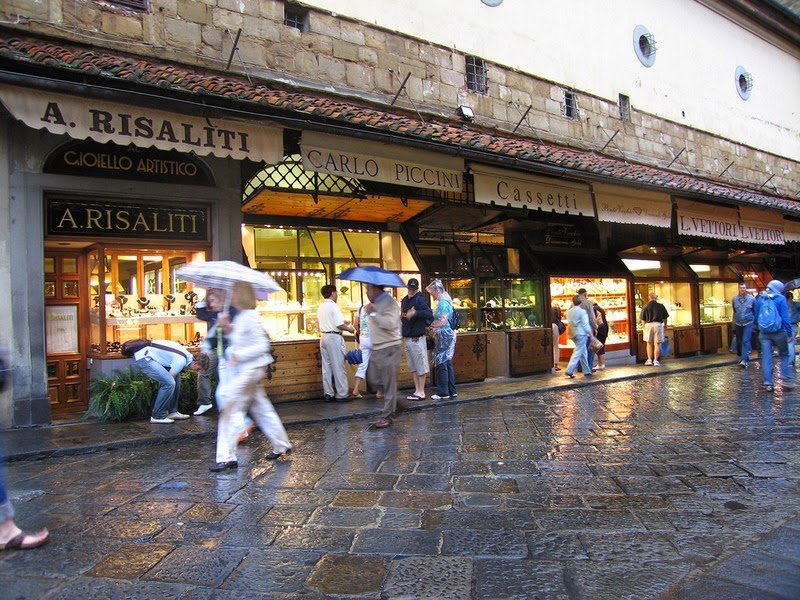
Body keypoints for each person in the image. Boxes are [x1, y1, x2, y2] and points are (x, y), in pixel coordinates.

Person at [210, 281, 292, 471]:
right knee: (262, 408)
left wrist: (239, 355)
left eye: (236, 293)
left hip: (249, 369)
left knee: (229, 409)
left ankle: (226, 456)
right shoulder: (243, 317)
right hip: (249, 369)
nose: (234, 297)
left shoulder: (250, 317)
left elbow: (261, 345)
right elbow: (241, 341)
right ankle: (281, 444)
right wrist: (227, 327)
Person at [121, 338, 201, 424]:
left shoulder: (186, 355)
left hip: (147, 355)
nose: (198, 371)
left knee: (175, 378)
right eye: (199, 368)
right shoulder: (181, 361)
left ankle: (172, 412)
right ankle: (158, 416)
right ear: (196, 363)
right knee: (169, 383)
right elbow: (168, 379)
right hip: (144, 358)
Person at [364, 283, 405, 429]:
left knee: (388, 383)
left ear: (375, 289)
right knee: (374, 379)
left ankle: (387, 416)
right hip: (377, 347)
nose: (366, 292)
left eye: (367, 289)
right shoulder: (375, 303)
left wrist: (374, 313)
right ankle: (397, 402)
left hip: (389, 347)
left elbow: (390, 323)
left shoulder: (389, 303)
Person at [193, 288, 229, 415]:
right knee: (204, 372)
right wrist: (207, 295)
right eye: (211, 301)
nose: (212, 304)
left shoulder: (231, 307)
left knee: (223, 376)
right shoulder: (212, 312)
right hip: (214, 348)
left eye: (214, 301)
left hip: (227, 348)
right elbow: (200, 313)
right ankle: (205, 403)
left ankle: (226, 406)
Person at [755, 280, 795, 393]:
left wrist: (760, 328)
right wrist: (789, 333)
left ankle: (768, 383)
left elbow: (757, 315)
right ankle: (785, 376)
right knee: (784, 354)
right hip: (779, 331)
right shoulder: (780, 298)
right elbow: (785, 318)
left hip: (764, 333)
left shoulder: (761, 298)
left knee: (767, 356)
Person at [317, 284, 354, 402]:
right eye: (336, 292)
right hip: (334, 337)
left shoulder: (321, 306)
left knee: (326, 367)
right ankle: (342, 393)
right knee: (338, 366)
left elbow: (332, 320)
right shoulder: (334, 306)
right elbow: (338, 325)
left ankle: (328, 393)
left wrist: (343, 321)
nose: (337, 294)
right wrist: (349, 329)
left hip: (324, 336)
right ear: (332, 293)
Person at [401, 278, 433, 401]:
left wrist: (415, 313)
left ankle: (421, 391)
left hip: (417, 337)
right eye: (409, 288)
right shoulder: (404, 300)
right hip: (408, 336)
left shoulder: (420, 299)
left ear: (416, 289)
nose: (411, 291)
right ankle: (417, 390)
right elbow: (404, 315)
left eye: (413, 289)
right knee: (413, 367)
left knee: (420, 365)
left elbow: (429, 314)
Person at [427, 279, 457, 401]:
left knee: (441, 362)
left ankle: (442, 392)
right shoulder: (446, 300)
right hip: (447, 334)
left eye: (432, 292)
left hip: (444, 334)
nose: (432, 295)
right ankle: (451, 390)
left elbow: (443, 321)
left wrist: (432, 325)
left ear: (437, 290)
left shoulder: (443, 303)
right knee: (447, 362)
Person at [565, 295, 592, 378]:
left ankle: (587, 370)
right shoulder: (582, 312)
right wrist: (590, 333)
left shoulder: (569, 312)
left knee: (583, 351)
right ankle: (569, 370)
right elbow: (585, 324)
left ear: (573, 302)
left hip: (572, 333)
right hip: (581, 333)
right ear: (581, 302)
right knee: (578, 351)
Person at [640, 292, 669, 366]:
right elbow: (665, 317)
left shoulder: (645, 306)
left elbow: (643, 319)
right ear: (656, 298)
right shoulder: (661, 306)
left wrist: (644, 327)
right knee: (657, 343)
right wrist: (665, 325)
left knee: (649, 343)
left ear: (649, 297)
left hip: (648, 325)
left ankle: (649, 360)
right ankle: (656, 360)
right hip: (658, 325)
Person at [732, 284, 755, 368]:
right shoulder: (734, 299)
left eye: (744, 288)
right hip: (738, 323)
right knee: (740, 341)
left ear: (746, 289)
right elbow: (734, 311)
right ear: (738, 289)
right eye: (741, 288)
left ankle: (744, 360)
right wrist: (733, 323)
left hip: (748, 323)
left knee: (745, 341)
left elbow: (755, 311)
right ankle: (745, 357)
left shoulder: (752, 299)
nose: (742, 289)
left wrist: (754, 323)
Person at [351, 302, 371, 398]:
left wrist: (361, 332)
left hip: (363, 339)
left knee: (362, 365)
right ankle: (380, 391)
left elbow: (355, 324)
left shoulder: (361, 308)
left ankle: (356, 389)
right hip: (375, 339)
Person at [577, 288, 598, 371]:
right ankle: (588, 367)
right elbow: (592, 317)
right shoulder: (588, 303)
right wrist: (595, 328)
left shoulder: (573, 303)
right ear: (585, 294)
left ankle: (580, 367)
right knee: (589, 349)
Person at [784, 290, 800, 364]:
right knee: (791, 344)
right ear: (791, 297)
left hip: (785, 326)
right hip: (793, 325)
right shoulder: (796, 304)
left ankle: (790, 361)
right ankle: (791, 361)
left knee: (788, 344)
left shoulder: (783, 305)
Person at [593, 302, 609, 370]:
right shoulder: (600, 308)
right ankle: (600, 364)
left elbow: (594, 320)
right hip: (604, 329)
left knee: (599, 347)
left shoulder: (594, 309)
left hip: (600, 330)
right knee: (601, 346)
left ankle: (601, 364)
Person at [551, 304, 564, 372]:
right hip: (554, 326)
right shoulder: (555, 308)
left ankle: (550, 363)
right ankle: (555, 364)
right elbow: (559, 317)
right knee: (555, 346)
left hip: (547, 326)